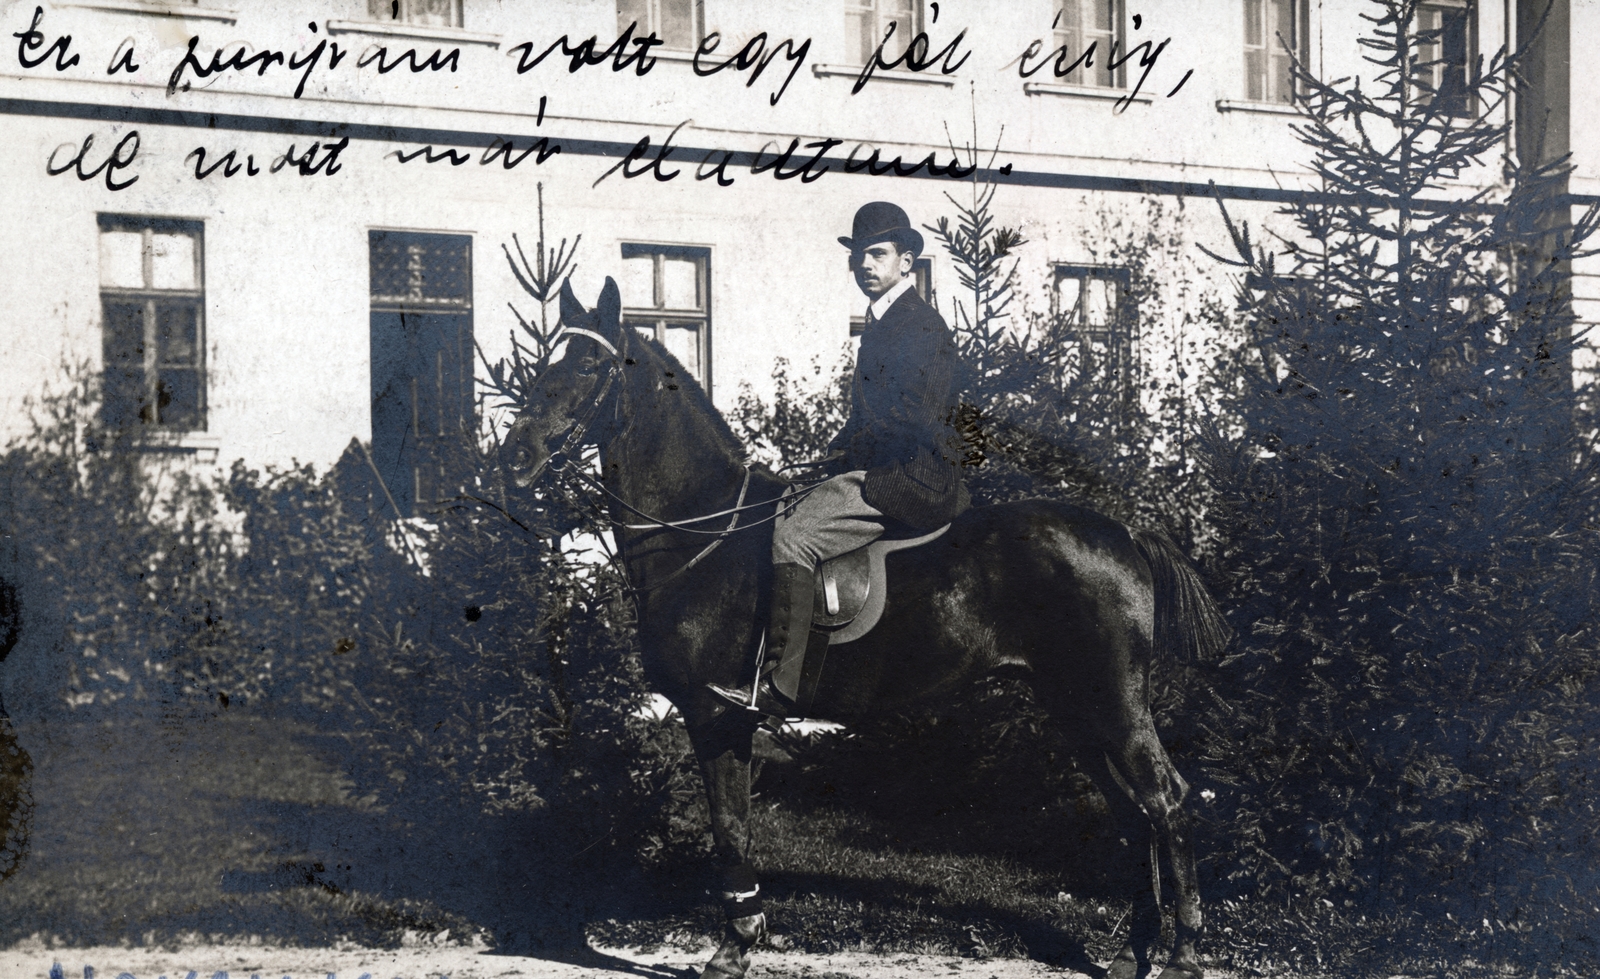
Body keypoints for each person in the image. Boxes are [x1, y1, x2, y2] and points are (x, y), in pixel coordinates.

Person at [710, 201, 970, 718]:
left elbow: (916, 415)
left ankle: (780, 688)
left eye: (877, 254)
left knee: (793, 535)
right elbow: (866, 417)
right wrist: (825, 458)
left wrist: (852, 457)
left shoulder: (919, 326)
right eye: (857, 257)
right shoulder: (883, 321)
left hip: (913, 476)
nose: (865, 265)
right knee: (784, 503)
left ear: (907, 261)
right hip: (884, 465)